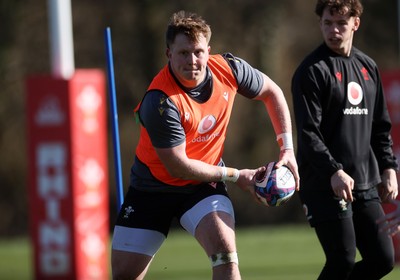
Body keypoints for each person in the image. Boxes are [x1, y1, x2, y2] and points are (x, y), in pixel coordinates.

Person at [111, 10, 299, 280]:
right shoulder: (160, 101)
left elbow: (272, 93)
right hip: (151, 189)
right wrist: (237, 176)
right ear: (168, 54)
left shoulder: (229, 69)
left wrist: (287, 149)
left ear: (208, 51)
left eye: (198, 52)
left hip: (202, 187)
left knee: (225, 255)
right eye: (183, 53)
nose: (192, 60)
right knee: (124, 275)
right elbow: (179, 167)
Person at [291, 0, 399, 279]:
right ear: (320, 24)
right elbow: (308, 133)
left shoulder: (368, 67)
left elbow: (380, 127)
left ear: (355, 24)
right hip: (323, 182)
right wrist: (333, 171)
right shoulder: (311, 71)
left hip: (363, 183)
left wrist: (389, 168)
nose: (334, 30)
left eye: (341, 23)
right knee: (342, 260)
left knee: (383, 260)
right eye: (328, 23)